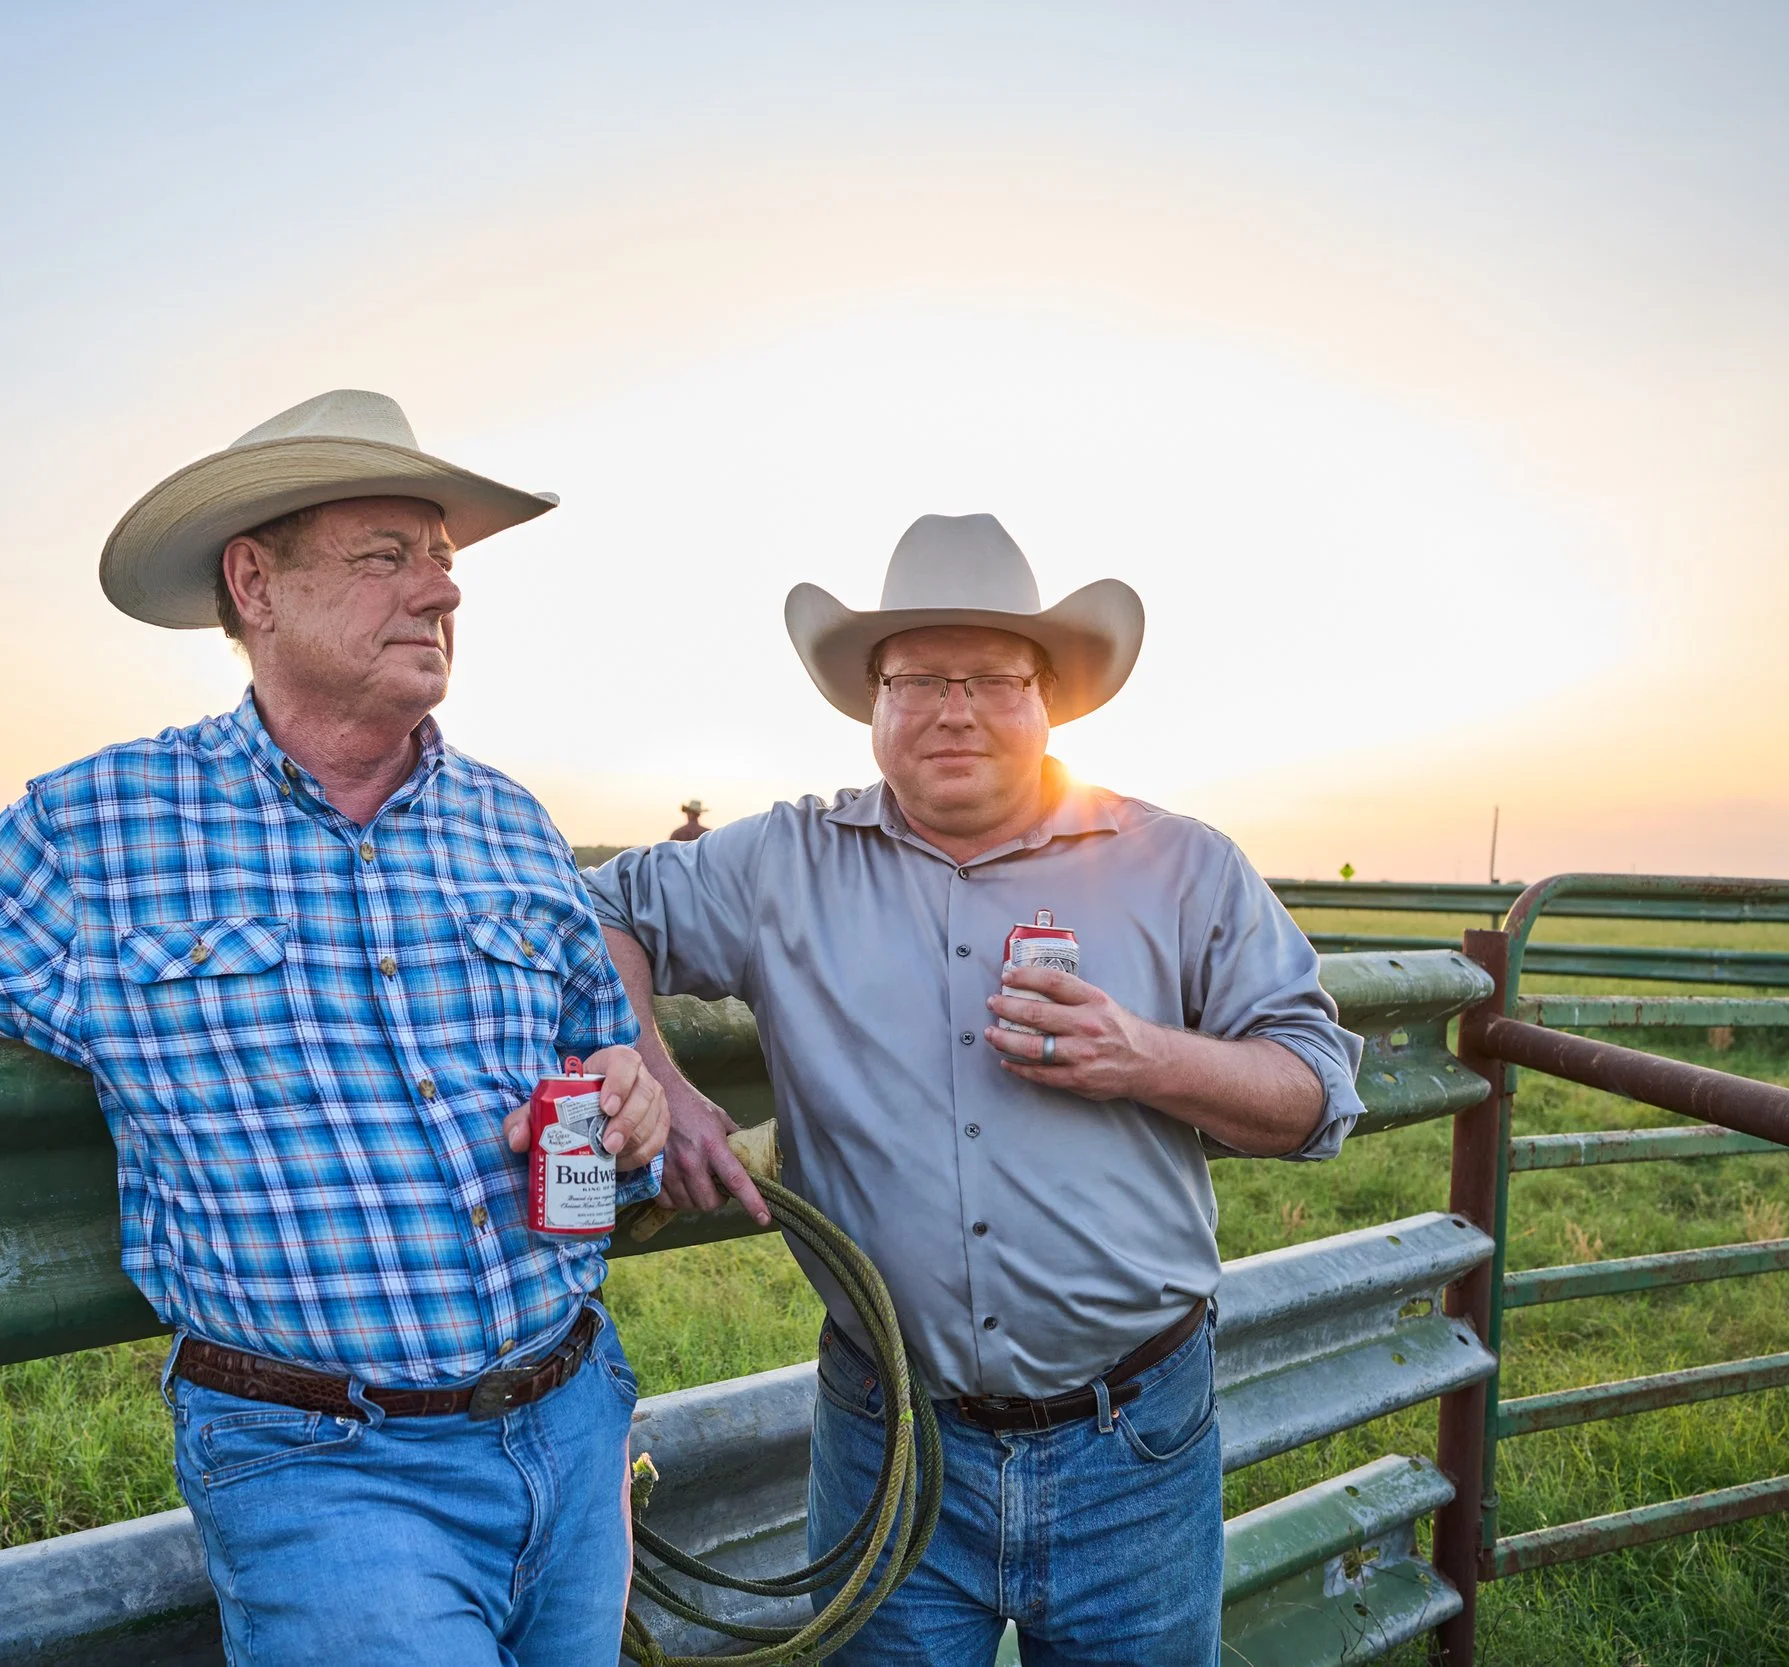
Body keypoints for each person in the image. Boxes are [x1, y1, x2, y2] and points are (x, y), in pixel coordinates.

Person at [0, 390, 670, 1666]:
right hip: (324, 1461)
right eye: (387, 555)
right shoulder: (104, 824)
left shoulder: (511, 820)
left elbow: (608, 1075)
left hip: (574, 1411)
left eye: (441, 558)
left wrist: (632, 1102)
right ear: (253, 582)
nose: (441, 592)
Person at [584, 513, 1364, 1665]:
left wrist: (1139, 1054)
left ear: (1050, 696)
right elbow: (599, 912)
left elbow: (1316, 1091)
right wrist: (661, 1074)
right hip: (888, 1438)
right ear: (872, 700)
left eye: (994, 676)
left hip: (1130, 1438)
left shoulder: (1177, 860)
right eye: (917, 677)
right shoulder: (781, 860)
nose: (954, 707)